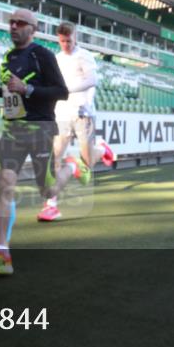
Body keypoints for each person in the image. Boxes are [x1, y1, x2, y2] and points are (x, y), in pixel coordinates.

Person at [0, 8, 68, 273]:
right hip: (13, 129)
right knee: (5, 183)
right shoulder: (7, 57)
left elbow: (61, 92)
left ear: (33, 28)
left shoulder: (43, 55)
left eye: (20, 23)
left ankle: (73, 167)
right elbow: (13, 95)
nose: (14, 26)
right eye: (11, 22)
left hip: (40, 129)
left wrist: (27, 88)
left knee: (48, 192)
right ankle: (2, 251)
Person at [39, 21, 97, 222]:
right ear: (58, 39)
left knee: (87, 163)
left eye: (69, 40)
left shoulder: (85, 56)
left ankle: (98, 153)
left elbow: (92, 81)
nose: (66, 44)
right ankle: (51, 204)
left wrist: (82, 100)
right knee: (55, 156)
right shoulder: (56, 59)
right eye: (62, 41)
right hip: (62, 112)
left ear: (75, 37)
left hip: (83, 112)